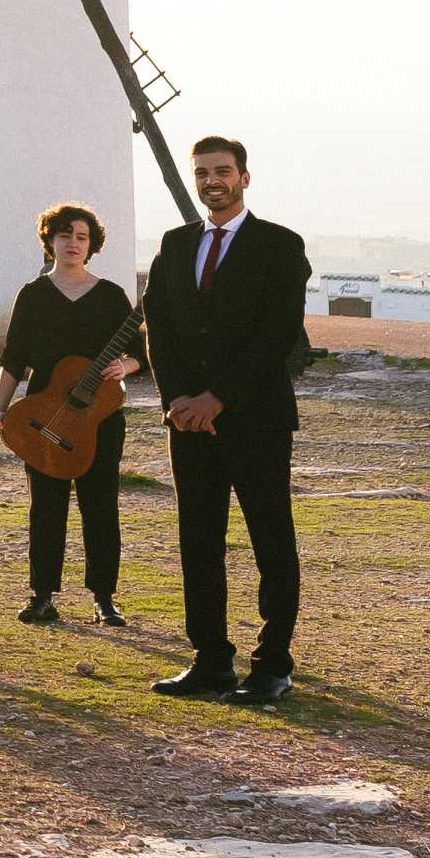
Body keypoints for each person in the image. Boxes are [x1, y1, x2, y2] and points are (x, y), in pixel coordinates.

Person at [141, 137, 310, 708]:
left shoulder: (280, 246)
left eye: (223, 171)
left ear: (244, 177)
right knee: (199, 542)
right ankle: (210, 659)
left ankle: (272, 665)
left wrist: (218, 398)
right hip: (188, 423)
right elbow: (157, 329)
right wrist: (179, 402)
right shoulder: (175, 243)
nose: (212, 180)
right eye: (203, 173)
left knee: (270, 540)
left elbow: (278, 335)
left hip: (256, 419)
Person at [0, 201, 137, 629]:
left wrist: (125, 366)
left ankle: (104, 598)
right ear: (50, 241)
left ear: (92, 245)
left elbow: (142, 354)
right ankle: (41, 595)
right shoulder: (33, 294)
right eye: (64, 235)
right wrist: (1, 407)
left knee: (101, 506)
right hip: (42, 416)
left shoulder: (112, 295)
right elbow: (14, 357)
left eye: (81, 237)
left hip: (99, 419)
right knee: (46, 507)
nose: (73, 243)